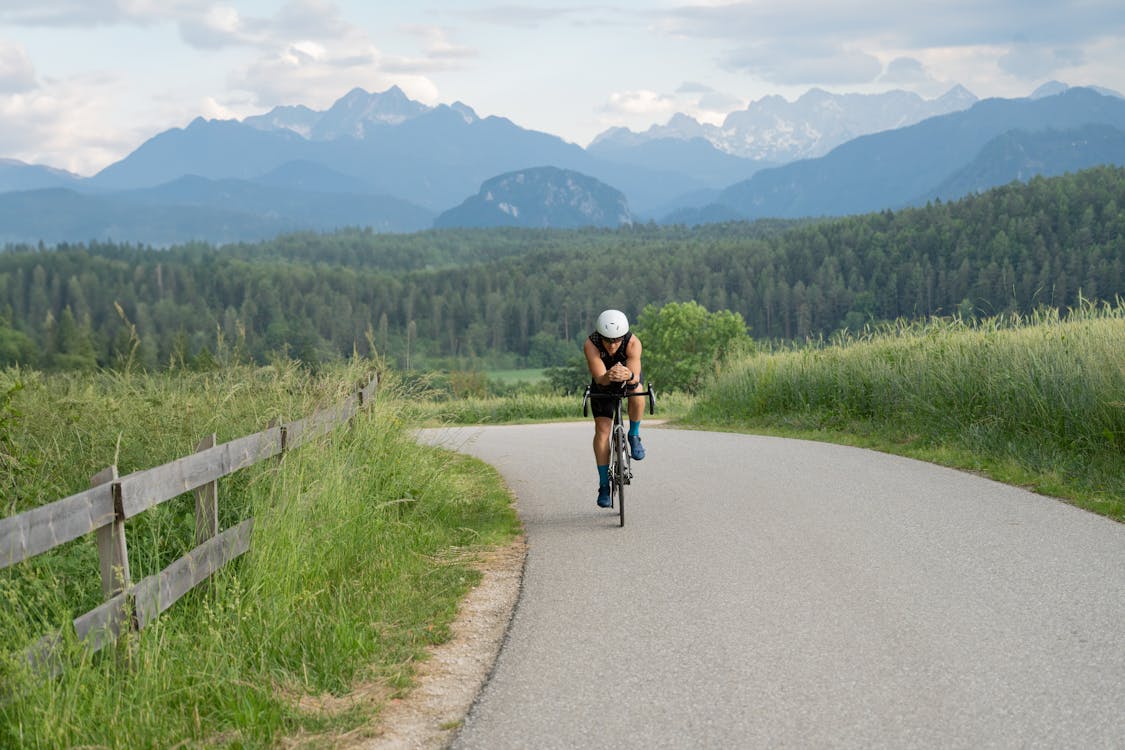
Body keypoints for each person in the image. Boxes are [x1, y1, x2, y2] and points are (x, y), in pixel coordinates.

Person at [584, 309, 646, 508]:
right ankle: (603, 485)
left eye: (617, 340)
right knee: (602, 431)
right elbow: (599, 377)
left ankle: (634, 434)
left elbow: (635, 376)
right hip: (603, 383)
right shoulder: (591, 344)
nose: (612, 345)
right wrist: (610, 375)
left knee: (638, 389)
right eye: (607, 340)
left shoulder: (633, 343)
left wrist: (627, 375)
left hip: (627, 379)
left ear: (624, 336)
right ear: (600, 336)